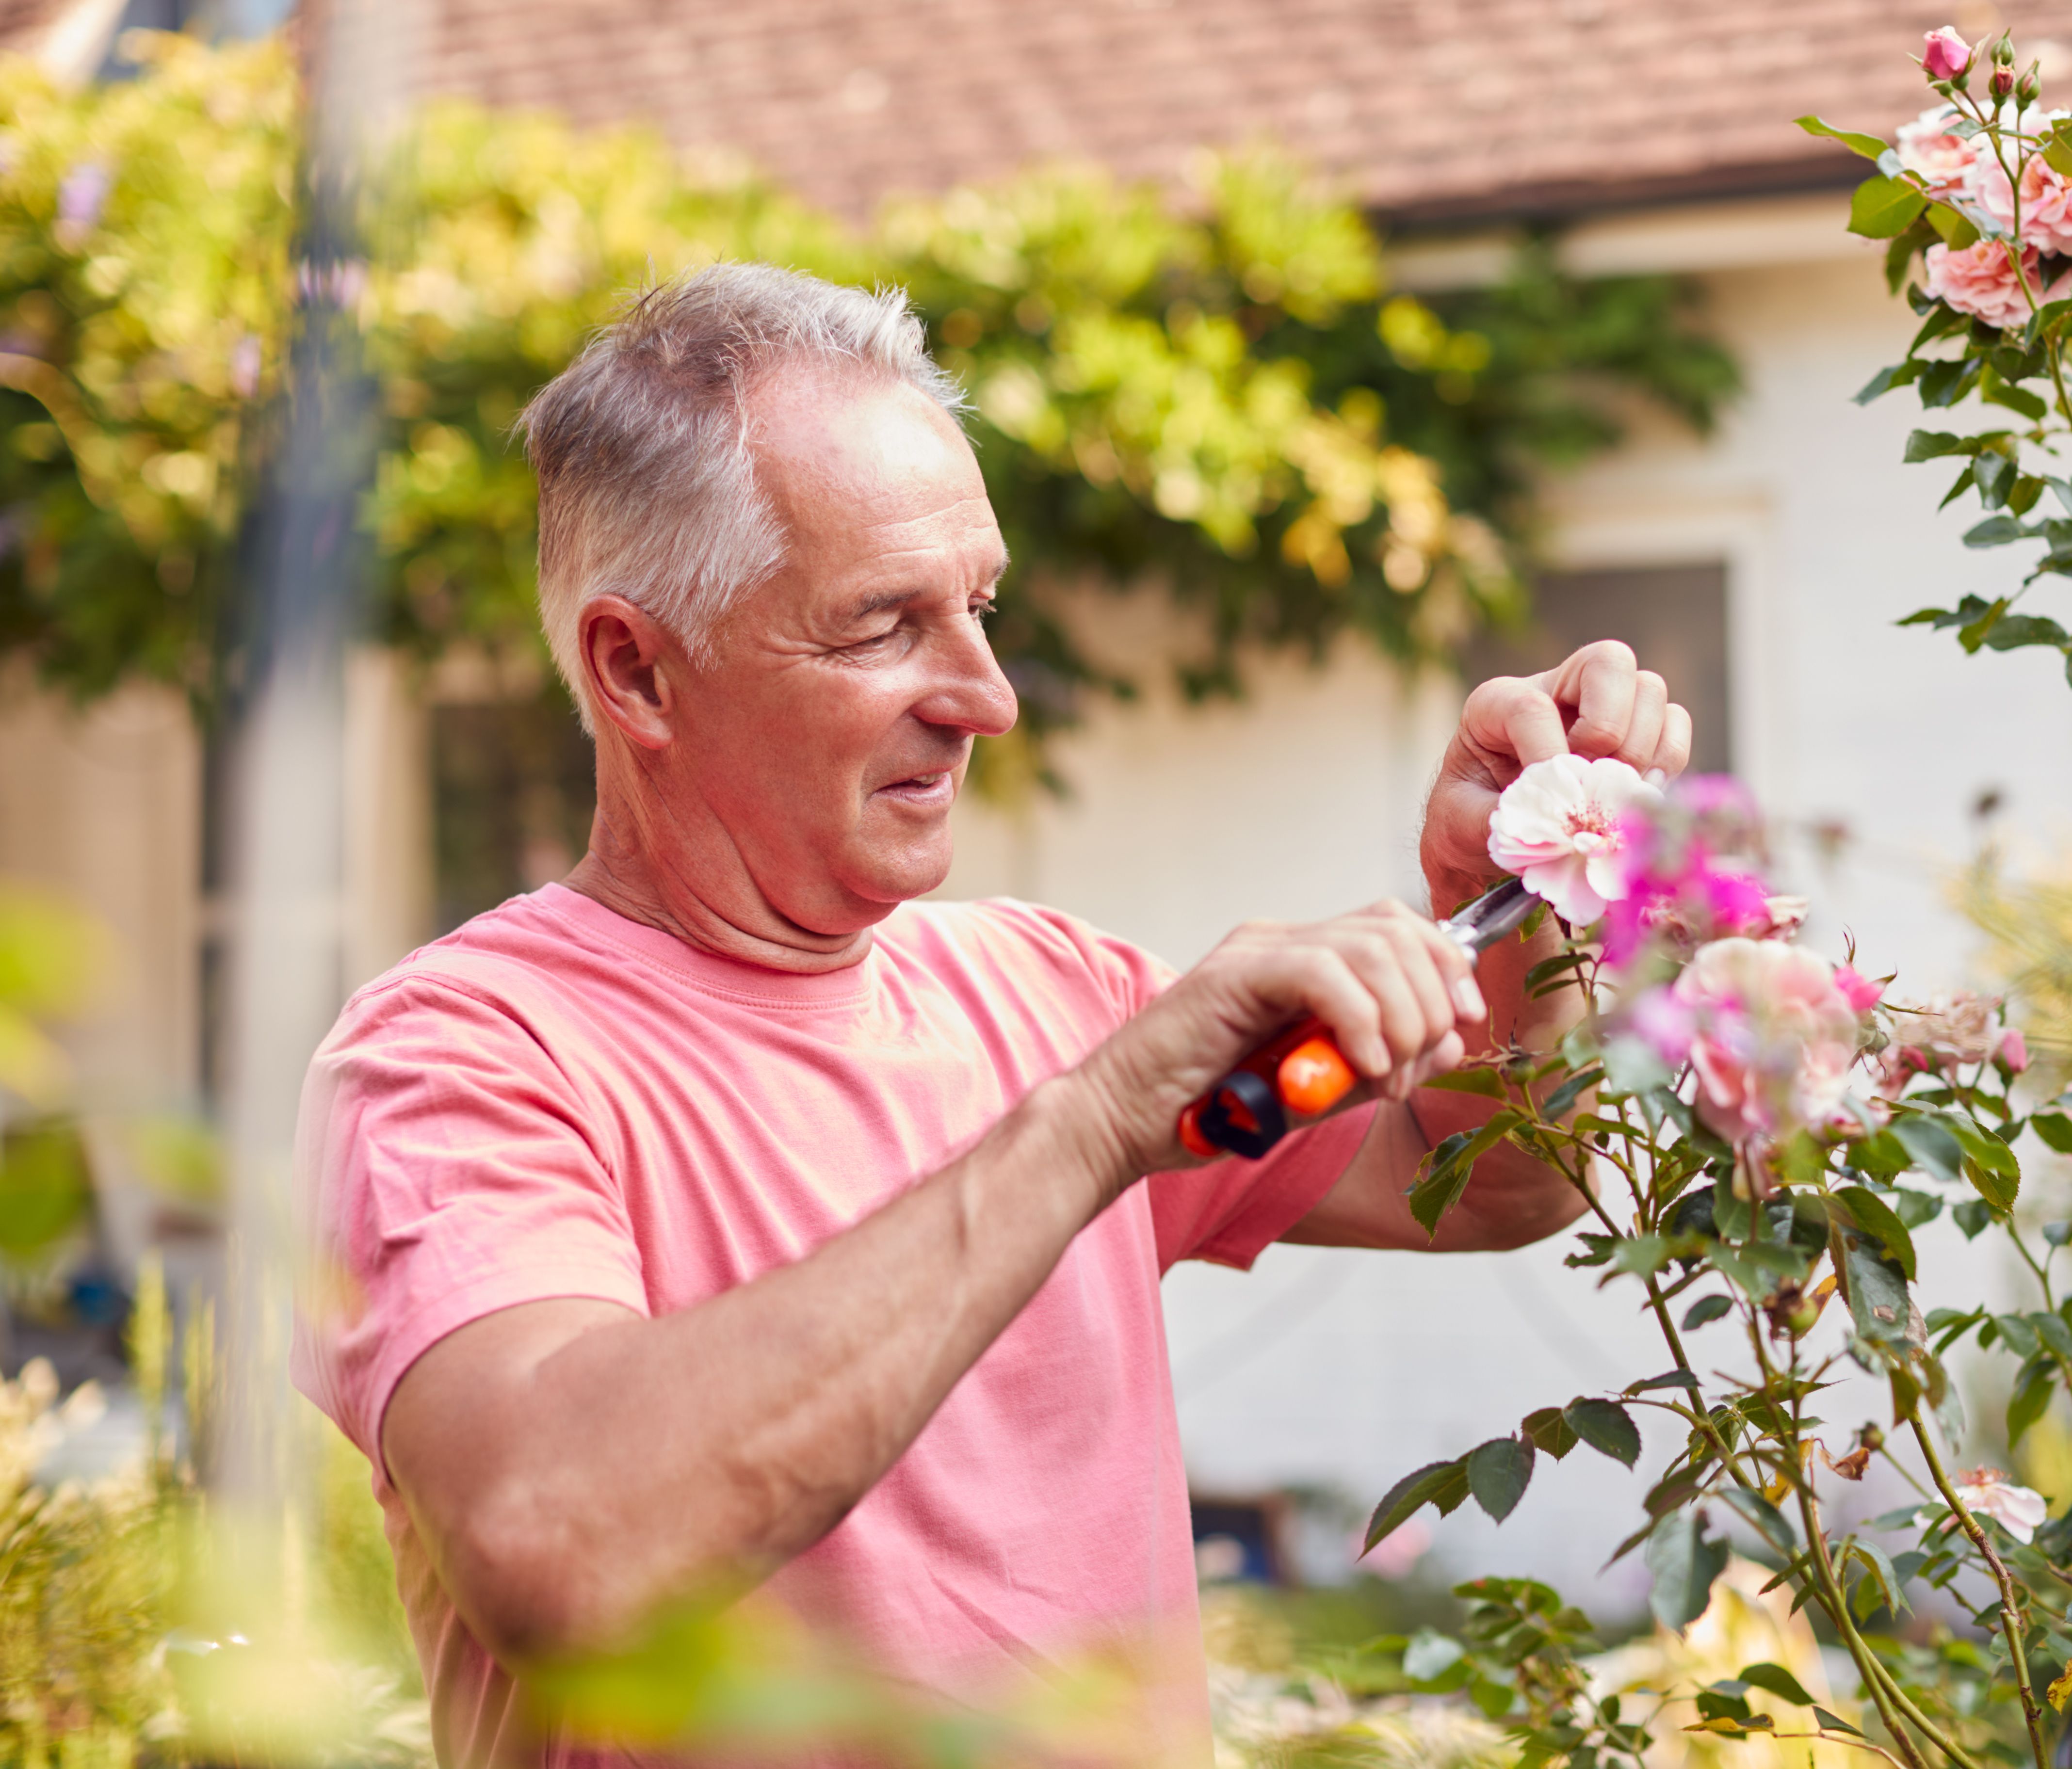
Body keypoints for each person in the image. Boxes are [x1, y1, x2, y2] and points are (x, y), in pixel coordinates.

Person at [293, 264, 1694, 1768]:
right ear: (638, 670)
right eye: (883, 624)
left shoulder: (1053, 997)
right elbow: (561, 1547)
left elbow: (1480, 1175)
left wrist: (1517, 910)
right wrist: (1094, 1125)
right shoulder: (457, 1062)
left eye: (979, 606)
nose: (985, 695)